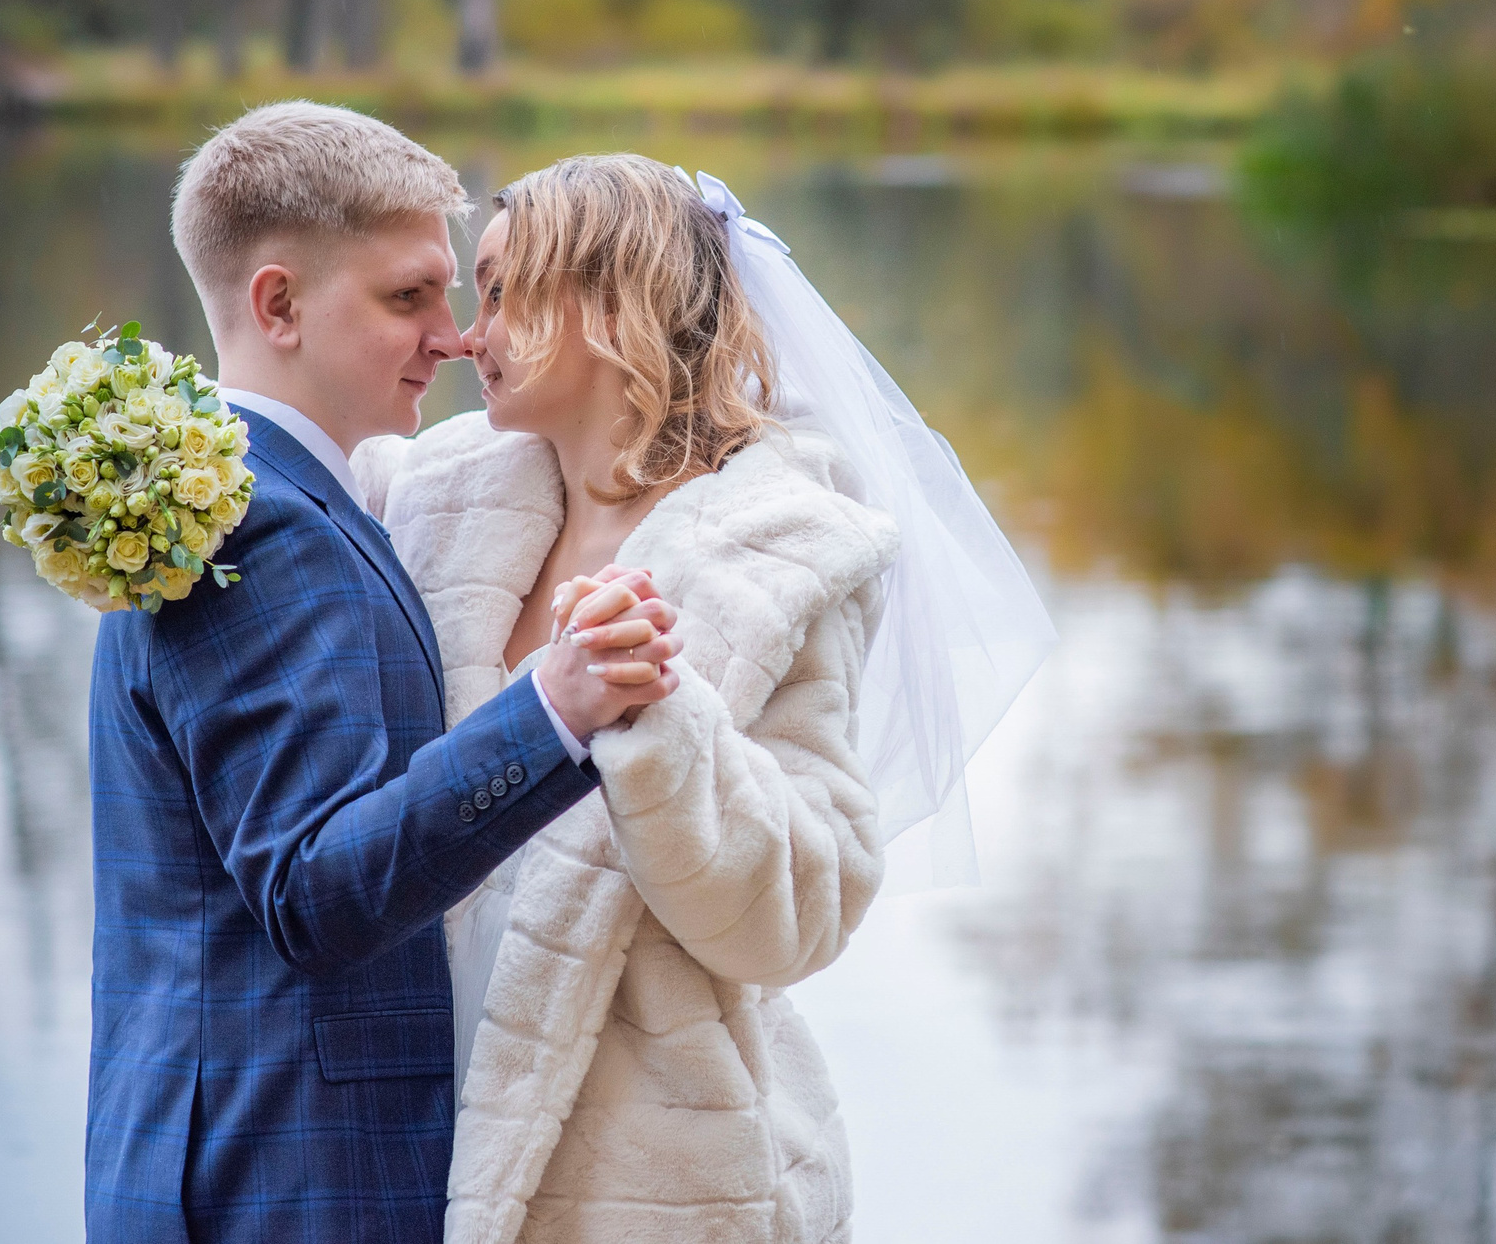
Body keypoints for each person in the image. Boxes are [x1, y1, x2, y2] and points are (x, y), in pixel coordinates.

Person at [354, 154, 1053, 1244]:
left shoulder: (782, 556)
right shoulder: (425, 499)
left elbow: (802, 911)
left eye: (498, 292)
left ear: (599, 303)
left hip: (657, 1179)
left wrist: (656, 721)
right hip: (409, 1145)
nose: (462, 334)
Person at [85, 104, 681, 1244]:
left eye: (453, 294)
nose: (453, 336)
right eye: (408, 296)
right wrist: (550, 709)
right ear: (278, 305)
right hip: (288, 1186)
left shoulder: (234, 498)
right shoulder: (262, 528)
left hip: (210, 1162)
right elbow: (316, 891)